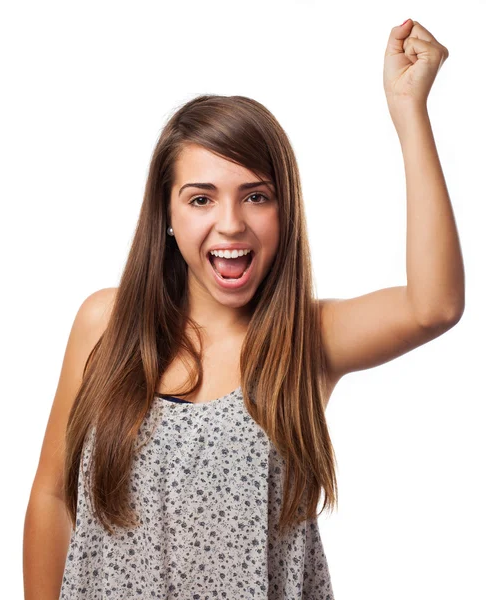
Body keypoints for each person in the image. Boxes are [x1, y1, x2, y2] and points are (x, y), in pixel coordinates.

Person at [23, 19, 464, 599]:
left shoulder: (306, 340)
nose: (230, 223)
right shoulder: (104, 323)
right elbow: (52, 496)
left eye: (256, 196)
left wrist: (410, 111)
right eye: (201, 198)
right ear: (169, 218)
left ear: (285, 212)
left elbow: (433, 306)